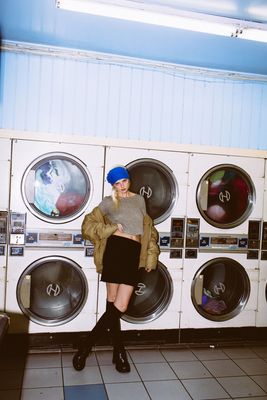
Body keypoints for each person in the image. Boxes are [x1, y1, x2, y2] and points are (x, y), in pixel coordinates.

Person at [73, 165, 160, 373]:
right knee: (113, 303)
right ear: (112, 185)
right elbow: (87, 226)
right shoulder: (108, 202)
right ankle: (118, 352)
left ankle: (86, 345)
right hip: (115, 251)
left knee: (120, 306)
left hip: (133, 253)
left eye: (124, 181)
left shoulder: (139, 200)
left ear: (129, 180)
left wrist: (150, 256)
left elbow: (148, 229)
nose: (121, 186)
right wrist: (111, 228)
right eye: (117, 183)